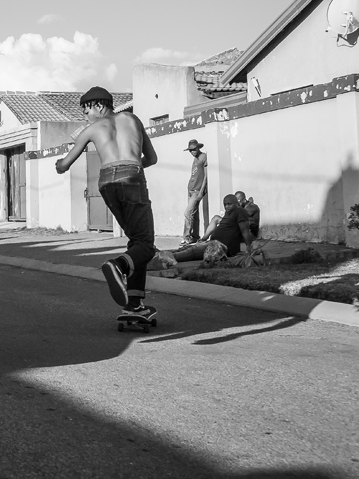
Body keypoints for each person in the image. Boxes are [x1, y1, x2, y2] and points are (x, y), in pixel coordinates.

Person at [55, 86, 158, 319]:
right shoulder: (132, 119)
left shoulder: (90, 130)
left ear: (99, 106)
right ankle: (118, 265)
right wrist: (132, 167)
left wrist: (58, 165)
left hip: (106, 182)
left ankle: (134, 304)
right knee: (145, 244)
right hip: (132, 178)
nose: (86, 116)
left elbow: (64, 165)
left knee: (137, 243)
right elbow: (152, 158)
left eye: (86, 111)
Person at [173, 194, 256, 263]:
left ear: (236, 203)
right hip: (214, 243)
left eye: (229, 204)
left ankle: (169, 258)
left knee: (193, 251)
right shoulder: (229, 213)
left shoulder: (240, 211)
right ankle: (168, 254)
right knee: (187, 248)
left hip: (221, 246)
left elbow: (244, 230)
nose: (227, 207)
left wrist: (248, 247)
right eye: (225, 204)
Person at [181, 139, 208, 246]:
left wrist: (202, 191)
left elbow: (205, 176)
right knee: (194, 214)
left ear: (198, 148)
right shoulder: (195, 158)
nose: (192, 152)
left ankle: (186, 237)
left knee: (188, 213)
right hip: (191, 189)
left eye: (194, 149)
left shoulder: (203, 157)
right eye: (190, 150)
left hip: (197, 190)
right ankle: (195, 236)